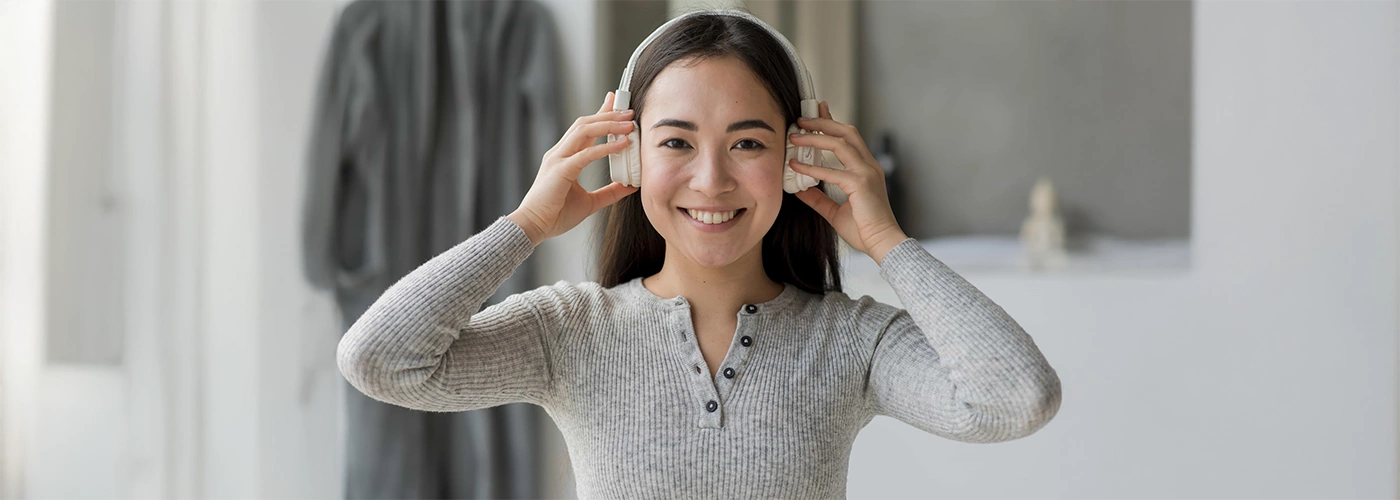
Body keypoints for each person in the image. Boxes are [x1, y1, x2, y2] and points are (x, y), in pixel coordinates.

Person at [338, 9, 1061, 499]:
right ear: (627, 158)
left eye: (747, 142)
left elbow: (1015, 400)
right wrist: (525, 224)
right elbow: (381, 360)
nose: (710, 180)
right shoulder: (570, 331)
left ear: (797, 157)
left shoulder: (851, 341)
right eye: (677, 142)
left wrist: (886, 242)